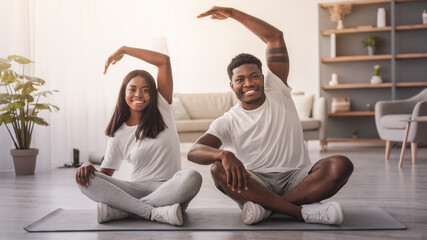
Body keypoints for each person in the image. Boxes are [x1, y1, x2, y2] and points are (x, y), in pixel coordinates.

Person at [188, 7, 354, 225]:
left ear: (263, 78)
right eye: (240, 79)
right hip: (254, 183)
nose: (248, 83)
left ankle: (266, 209)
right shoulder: (228, 120)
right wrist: (223, 155)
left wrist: (232, 13)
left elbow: (274, 37)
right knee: (217, 169)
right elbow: (194, 152)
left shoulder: (278, 90)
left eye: (254, 76)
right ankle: (298, 212)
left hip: (297, 178)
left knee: (340, 165)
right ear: (232, 85)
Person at [76, 46, 202, 226]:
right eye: (132, 89)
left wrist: (125, 50)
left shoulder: (162, 106)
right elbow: (105, 176)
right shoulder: (118, 133)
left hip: (169, 189)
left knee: (192, 177)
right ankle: (154, 212)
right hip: (135, 189)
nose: (139, 95)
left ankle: (126, 210)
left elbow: (163, 61)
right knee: (84, 180)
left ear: (152, 94)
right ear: (124, 93)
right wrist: (88, 167)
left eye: (146, 90)